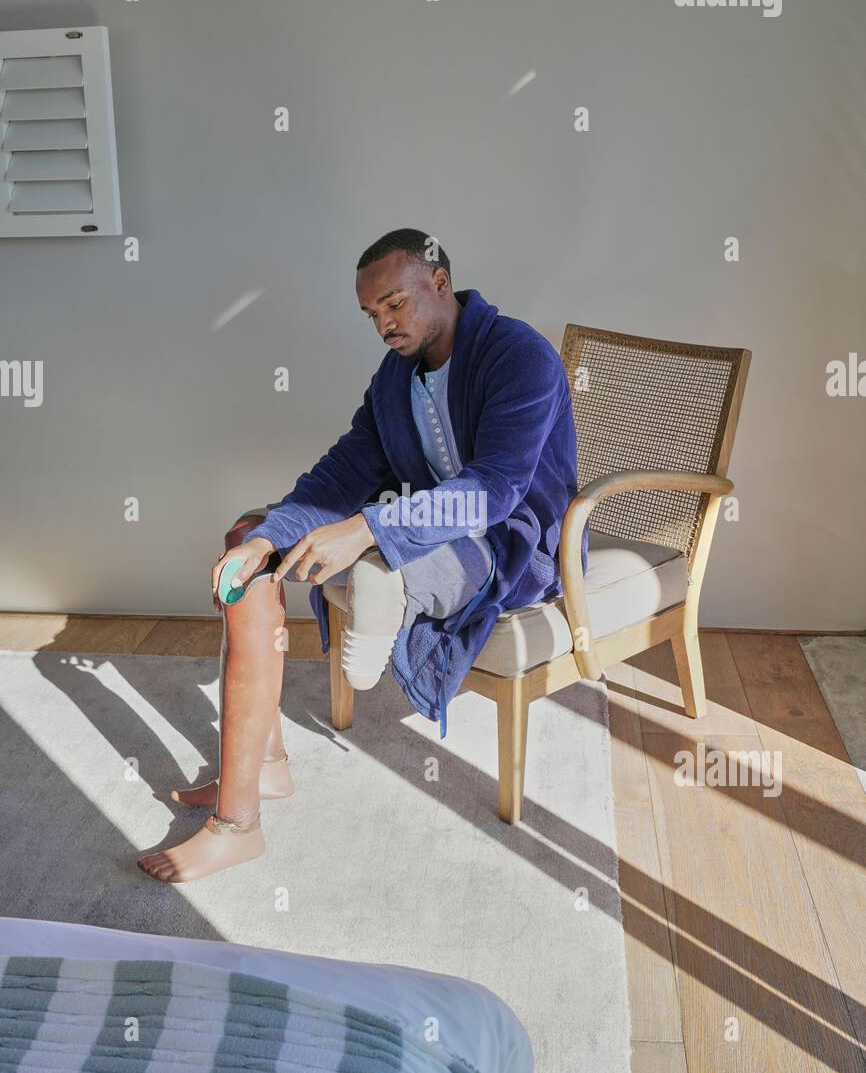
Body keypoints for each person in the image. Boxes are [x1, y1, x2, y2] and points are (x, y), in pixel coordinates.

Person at [138, 228, 585, 882]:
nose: (384, 324)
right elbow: (346, 468)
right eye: (372, 314)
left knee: (380, 563)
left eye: (395, 304)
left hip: (504, 543)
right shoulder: (395, 376)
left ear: (439, 283)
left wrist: (370, 529)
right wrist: (272, 533)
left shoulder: (520, 356)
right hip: (412, 521)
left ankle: (235, 827)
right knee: (247, 542)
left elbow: (494, 492)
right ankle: (262, 772)